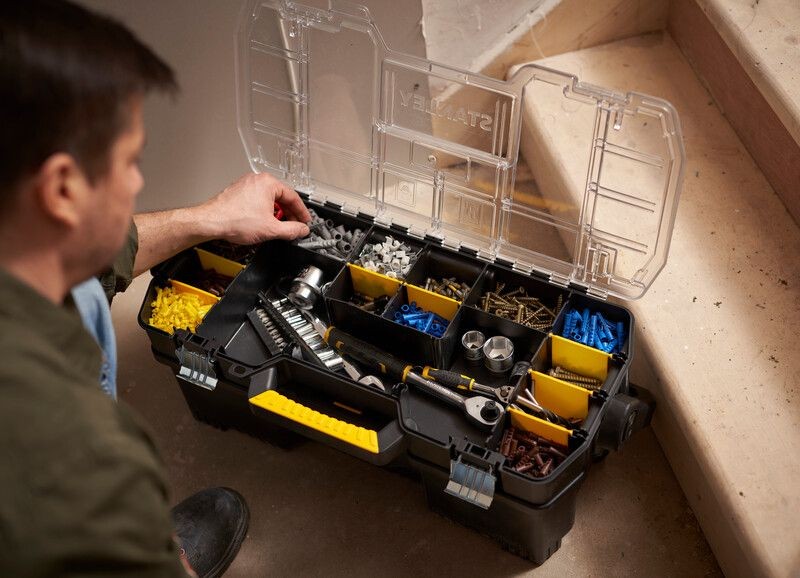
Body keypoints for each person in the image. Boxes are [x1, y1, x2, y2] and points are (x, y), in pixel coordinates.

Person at [0, 1, 311, 576]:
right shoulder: (69, 449)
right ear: (62, 189)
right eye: (130, 161)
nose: (138, 180)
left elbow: (98, 258)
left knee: (86, 296)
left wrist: (211, 218)